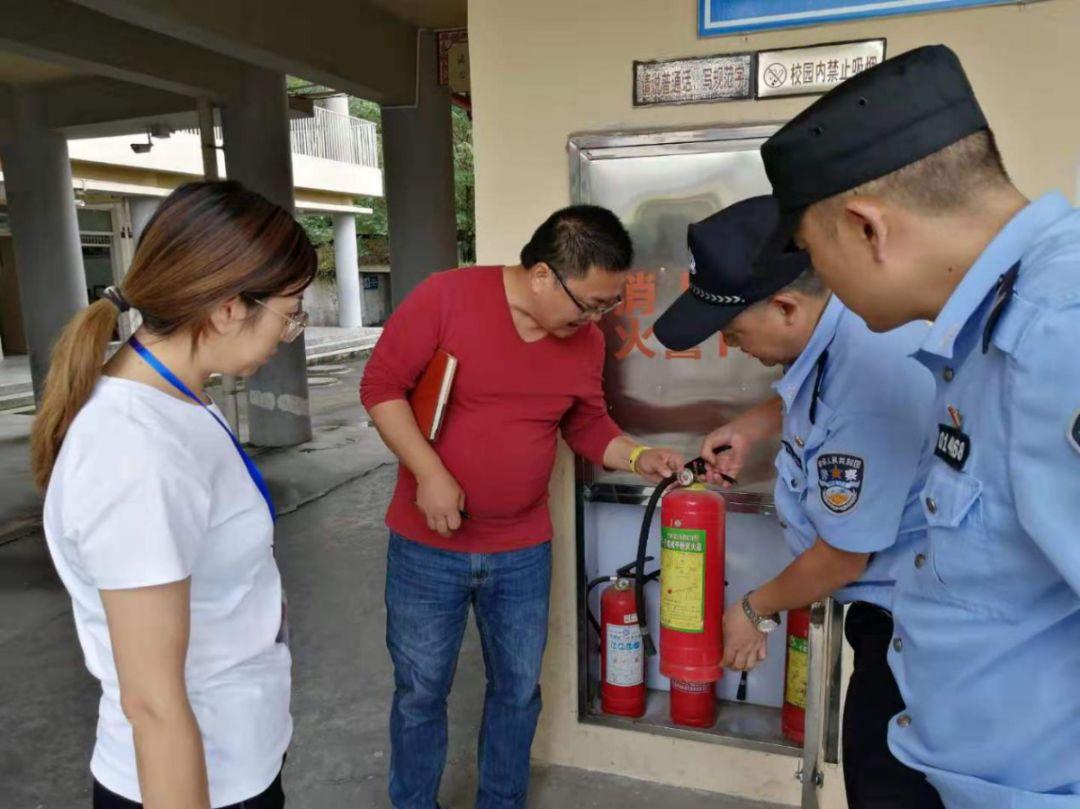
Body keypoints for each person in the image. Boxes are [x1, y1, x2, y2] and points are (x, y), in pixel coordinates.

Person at [758, 45, 1080, 808]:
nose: (818, 283)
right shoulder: (987, 327)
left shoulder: (1055, 336)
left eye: (811, 252)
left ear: (866, 228)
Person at [360, 205, 684, 809]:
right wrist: (428, 473)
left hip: (522, 550)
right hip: (428, 548)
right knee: (421, 690)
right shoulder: (446, 298)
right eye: (588, 303)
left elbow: (588, 425)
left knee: (515, 691)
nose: (595, 318)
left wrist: (640, 457)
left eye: (606, 306)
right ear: (540, 275)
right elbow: (380, 387)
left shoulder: (583, 342)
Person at [32, 181, 316, 809]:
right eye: (290, 313)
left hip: (238, 752)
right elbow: (153, 704)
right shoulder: (135, 451)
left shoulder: (182, 398)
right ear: (227, 309)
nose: (289, 332)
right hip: (191, 783)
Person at [653, 195, 941, 808]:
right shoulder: (850, 327)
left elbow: (843, 557)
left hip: (921, 635)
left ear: (785, 305)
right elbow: (814, 391)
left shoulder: (872, 370)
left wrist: (754, 609)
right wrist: (754, 427)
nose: (732, 347)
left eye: (733, 331)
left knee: (888, 787)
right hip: (898, 618)